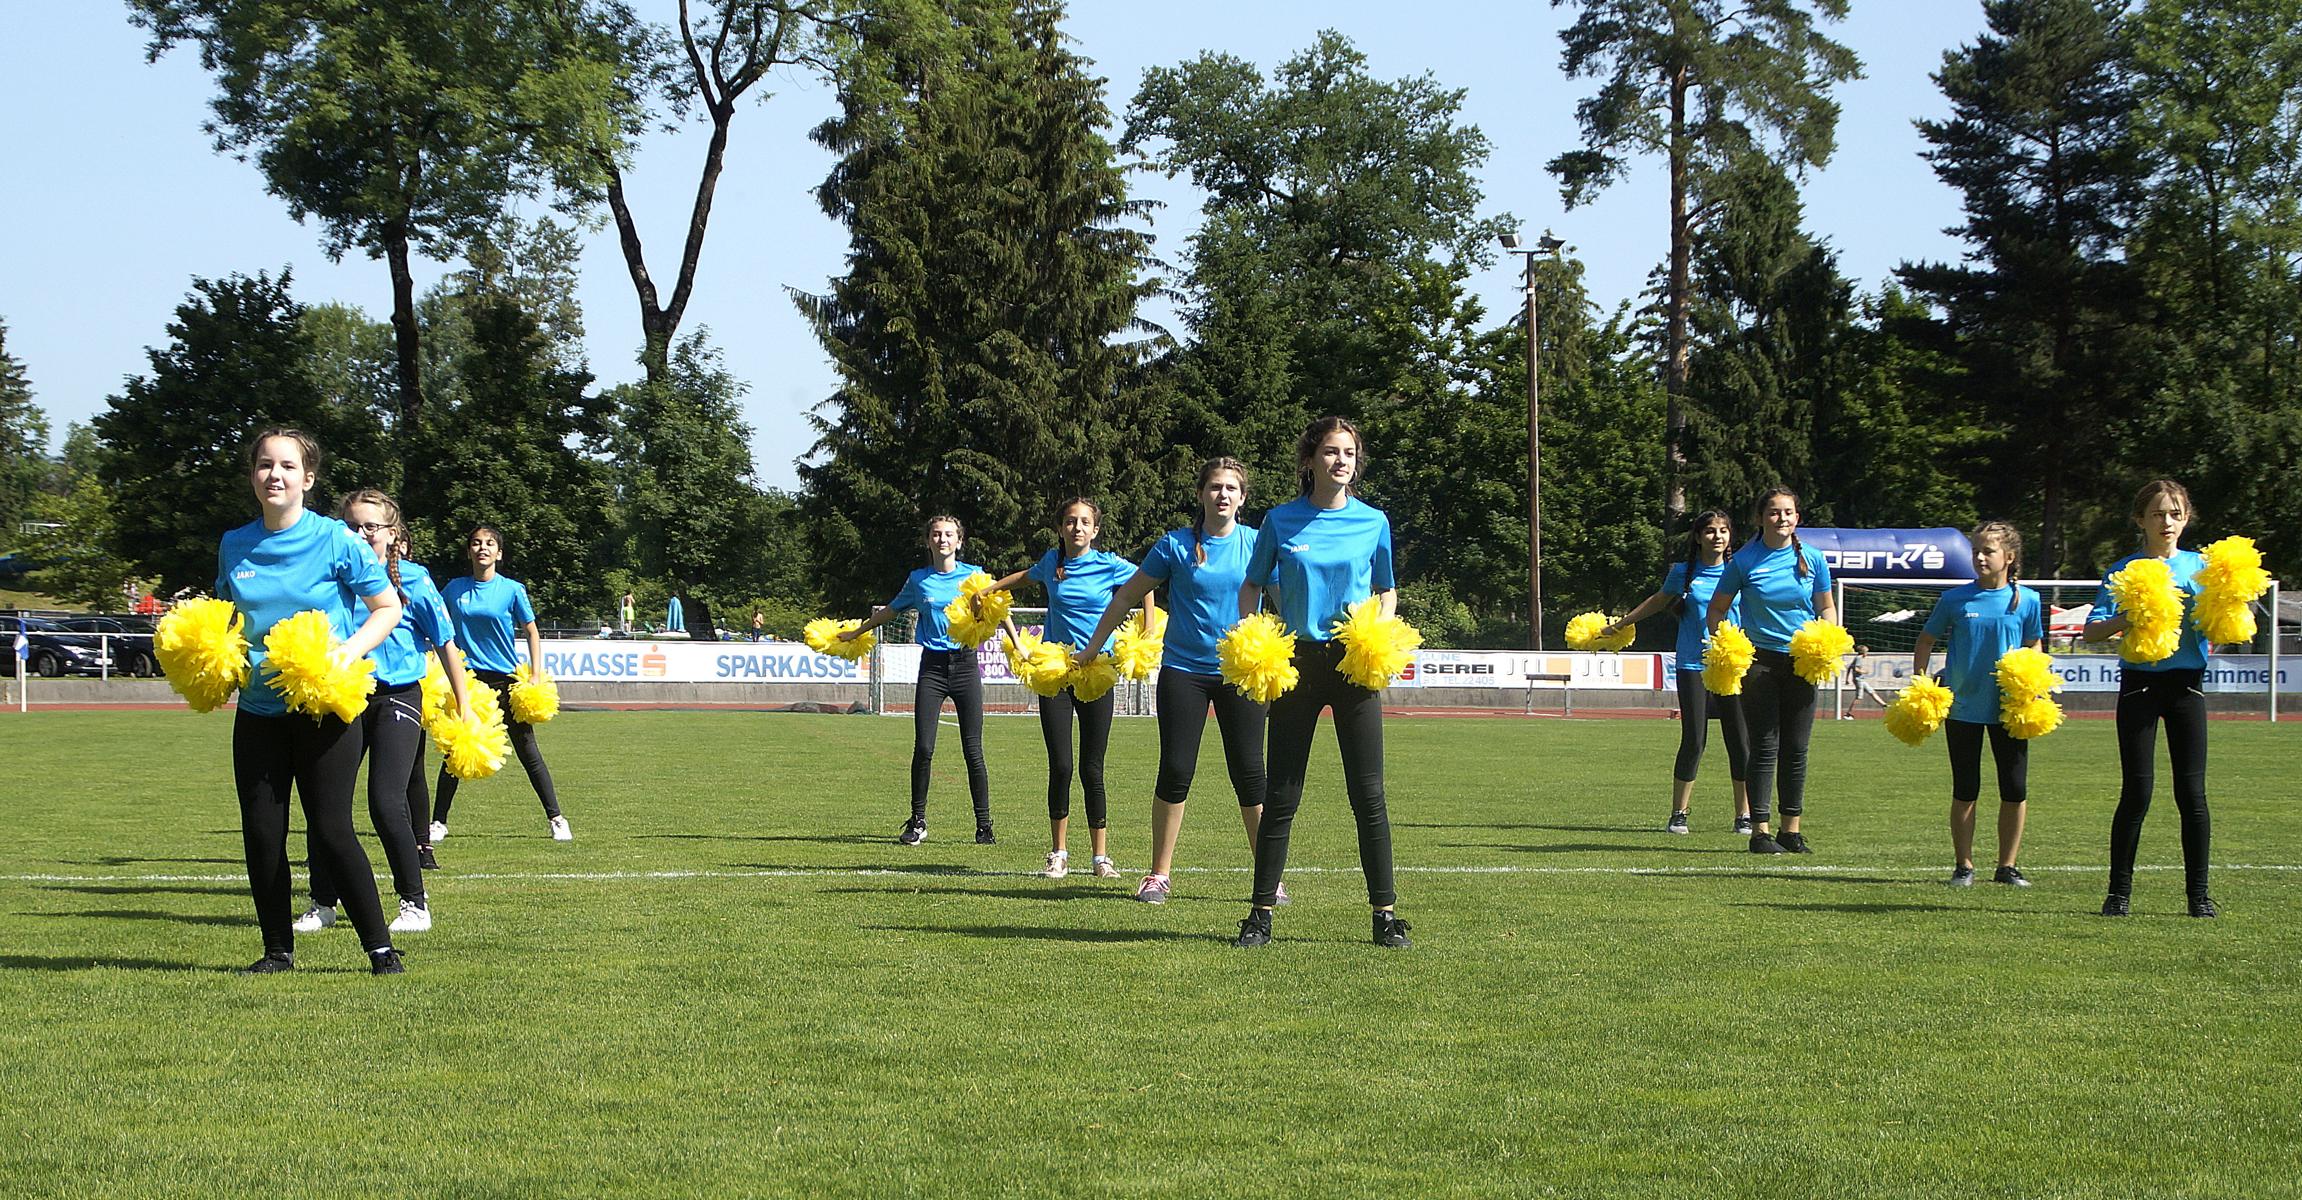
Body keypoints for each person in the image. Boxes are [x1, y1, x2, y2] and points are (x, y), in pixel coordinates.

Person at [215, 428, 407, 975]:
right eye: (264, 465)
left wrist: (345, 654)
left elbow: (387, 608)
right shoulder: (234, 544)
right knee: (262, 834)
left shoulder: (336, 540)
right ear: (253, 475)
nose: (274, 475)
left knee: (331, 828)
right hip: (259, 711)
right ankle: (278, 951)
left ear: (308, 478)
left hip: (324, 710)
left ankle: (380, 948)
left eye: (287, 466)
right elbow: (227, 620)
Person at [1232, 417, 1410, 949]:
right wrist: (1253, 633)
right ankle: (1260, 915)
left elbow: (1386, 589)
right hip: (1298, 665)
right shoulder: (1280, 521)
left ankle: (1385, 915)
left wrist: (1378, 630)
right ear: (1310, 460)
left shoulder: (1373, 521)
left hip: (1354, 664)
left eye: (1349, 453)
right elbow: (1251, 586)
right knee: (1282, 794)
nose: (1341, 461)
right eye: (1331, 452)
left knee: (1369, 794)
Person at [1077, 459, 1273, 904]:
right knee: (1176, 769)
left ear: (1243, 498)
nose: (1222, 495)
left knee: (1250, 774)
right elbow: (1126, 596)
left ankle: (1269, 877)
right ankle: (1158, 875)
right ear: (1201, 494)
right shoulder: (1175, 545)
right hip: (1184, 673)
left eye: (1231, 488)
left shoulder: (1257, 544)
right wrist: (1092, 648)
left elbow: (1284, 599)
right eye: (1215, 487)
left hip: (1242, 674)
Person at [296, 490, 475, 934]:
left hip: (398, 696)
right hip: (344, 696)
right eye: (351, 526)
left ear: (393, 534)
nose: (361, 534)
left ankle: (414, 903)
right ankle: (323, 902)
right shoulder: (331, 576)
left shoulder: (414, 580)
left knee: (385, 800)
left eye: (371, 527)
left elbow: (446, 644)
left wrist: (465, 705)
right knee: (325, 802)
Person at [976, 500, 1151, 880]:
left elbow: (1147, 581)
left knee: (1092, 767)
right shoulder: (1051, 564)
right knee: (1061, 765)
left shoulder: (1109, 564)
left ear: (1095, 529)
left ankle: (1100, 857)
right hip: (1055, 672)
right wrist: (990, 588)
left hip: (1095, 672)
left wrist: (1148, 626)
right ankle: (1058, 853)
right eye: (1071, 521)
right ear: (1061, 528)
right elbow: (1023, 578)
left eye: (1085, 522)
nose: (1077, 527)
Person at [2085, 480, 2217, 918]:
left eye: (2175, 513)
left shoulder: (2202, 567)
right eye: (2158, 514)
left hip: (2187, 687)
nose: (2167, 522)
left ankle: (2199, 897)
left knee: (2192, 795)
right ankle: (2118, 894)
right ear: (2140, 520)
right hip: (2139, 686)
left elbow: (2228, 621)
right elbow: (2091, 631)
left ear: (2187, 518)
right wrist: (2128, 616)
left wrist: (2227, 606)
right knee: (2137, 792)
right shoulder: (2123, 570)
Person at [840, 516, 995, 845]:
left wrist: (1019, 646)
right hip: (932, 669)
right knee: (924, 747)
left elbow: (999, 612)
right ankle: (918, 821)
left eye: (949, 534)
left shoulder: (975, 576)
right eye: (936, 534)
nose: (942, 539)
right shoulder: (918, 580)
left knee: (973, 750)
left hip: (966, 666)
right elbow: (890, 611)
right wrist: (857, 631)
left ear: (959, 541)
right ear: (928, 541)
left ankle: (984, 825)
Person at [1603, 510, 1752, 835]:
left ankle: (1744, 815)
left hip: (1732, 666)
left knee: (1740, 741)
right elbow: (1658, 601)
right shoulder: (1683, 574)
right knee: (1694, 739)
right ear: (1698, 537)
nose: (1717, 536)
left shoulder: (1739, 571)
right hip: (1692, 664)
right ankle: (1679, 813)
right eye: (1710, 531)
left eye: (1723, 530)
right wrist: (1621, 625)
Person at [1707, 487, 1838, 855]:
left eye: (1788, 512)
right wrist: (1726, 643)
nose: (1782, 518)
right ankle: (1759, 832)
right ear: (1760, 518)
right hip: (1759, 664)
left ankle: (1791, 831)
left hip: (1802, 662)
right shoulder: (1744, 561)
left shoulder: (1813, 558)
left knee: (1797, 748)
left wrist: (1827, 636)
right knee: (1764, 746)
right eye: (1774, 512)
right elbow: (1716, 610)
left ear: (1797, 517)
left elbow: (1826, 607)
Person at [1912, 521, 2043, 887]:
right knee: (1965, 788)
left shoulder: (2028, 600)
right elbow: (1925, 640)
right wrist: (1922, 685)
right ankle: (1964, 866)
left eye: (1988, 551)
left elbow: (2034, 643)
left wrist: (2034, 680)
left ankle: (2007, 866)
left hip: (2011, 711)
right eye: (1976, 551)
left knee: (2014, 789)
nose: (1980, 557)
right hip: (1962, 708)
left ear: (2009, 557)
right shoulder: (1954, 599)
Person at [429, 525, 570, 843]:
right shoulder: (453, 589)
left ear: (499, 553)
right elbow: (437, 625)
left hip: (505, 680)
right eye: (476, 543)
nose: (483, 548)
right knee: (454, 750)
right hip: (468, 681)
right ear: (469, 551)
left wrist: (535, 674)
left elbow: (532, 631)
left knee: (528, 751)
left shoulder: (512, 590)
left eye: (490, 543)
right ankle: (438, 822)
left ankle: (556, 818)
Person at [1843, 644, 1890, 717]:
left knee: (1872, 692)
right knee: (1859, 698)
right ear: (1863, 652)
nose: (1867, 654)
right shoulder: (1859, 658)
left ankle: (1884, 705)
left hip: (1861, 680)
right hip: (1858, 680)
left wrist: (1847, 679)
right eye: (1866, 652)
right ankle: (1848, 713)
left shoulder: (1857, 658)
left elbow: (1850, 668)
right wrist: (1864, 671)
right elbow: (1856, 669)